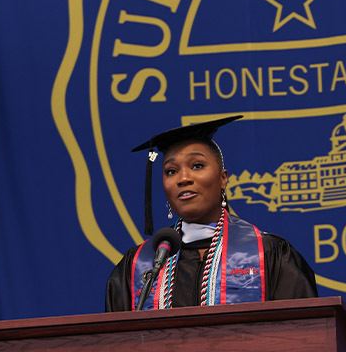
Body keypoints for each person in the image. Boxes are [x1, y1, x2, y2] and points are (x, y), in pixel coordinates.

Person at [106, 116, 317, 311]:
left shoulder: (270, 255)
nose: (183, 178)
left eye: (197, 166)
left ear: (223, 178)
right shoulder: (138, 266)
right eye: (171, 171)